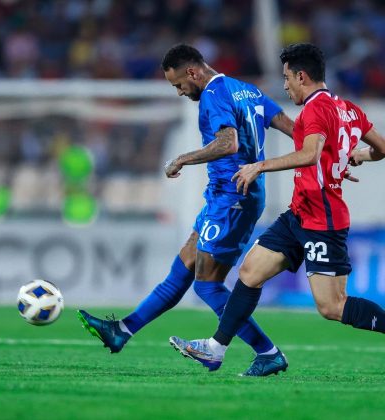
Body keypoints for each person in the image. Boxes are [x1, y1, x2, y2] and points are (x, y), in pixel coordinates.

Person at [78, 44, 294, 376]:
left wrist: (181, 158)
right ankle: (122, 331)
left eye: (179, 84)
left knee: (207, 285)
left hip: (233, 198)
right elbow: (291, 127)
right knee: (183, 268)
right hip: (226, 196)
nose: (180, 92)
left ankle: (268, 352)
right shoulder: (247, 90)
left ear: (192, 71)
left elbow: (228, 143)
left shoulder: (213, 94)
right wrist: (324, 149)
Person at [170, 43, 385, 375]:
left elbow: (309, 154)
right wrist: (355, 156)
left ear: (302, 76)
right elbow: (381, 148)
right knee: (249, 273)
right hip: (299, 212)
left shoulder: (315, 109)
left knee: (332, 306)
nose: (285, 86)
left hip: (322, 219)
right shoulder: (349, 109)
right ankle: (218, 348)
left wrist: (260, 166)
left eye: (287, 78)